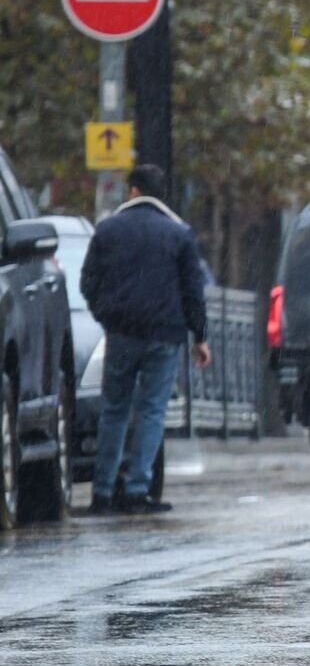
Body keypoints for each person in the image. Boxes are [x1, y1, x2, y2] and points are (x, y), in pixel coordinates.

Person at [79, 164, 210, 515]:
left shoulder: (108, 231)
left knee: (114, 410)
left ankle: (103, 492)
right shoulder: (179, 234)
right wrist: (200, 336)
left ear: (134, 191)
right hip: (164, 335)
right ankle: (139, 489)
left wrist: (107, 315)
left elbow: (88, 283)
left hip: (120, 334)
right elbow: (193, 291)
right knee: (152, 410)